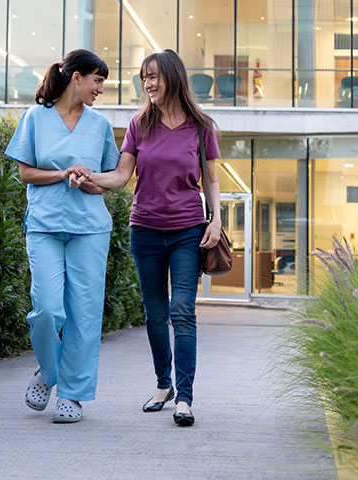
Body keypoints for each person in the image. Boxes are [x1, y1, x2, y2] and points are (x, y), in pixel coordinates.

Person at [86, 49, 221, 427]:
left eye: (155, 76)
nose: (148, 83)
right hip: (144, 230)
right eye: (144, 77)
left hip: (187, 230)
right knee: (156, 313)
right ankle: (164, 386)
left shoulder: (201, 127)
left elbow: (211, 180)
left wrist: (217, 222)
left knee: (182, 310)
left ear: (173, 78)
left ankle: (186, 397)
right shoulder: (138, 124)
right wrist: (90, 178)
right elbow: (120, 176)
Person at [4, 49, 120, 423]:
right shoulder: (35, 118)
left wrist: (88, 183)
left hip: (90, 228)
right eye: (97, 80)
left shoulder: (100, 125)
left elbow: (107, 181)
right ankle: (50, 373)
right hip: (45, 226)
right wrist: (62, 173)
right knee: (48, 309)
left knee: (84, 316)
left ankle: (72, 394)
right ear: (76, 78)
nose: (101, 88)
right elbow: (25, 173)